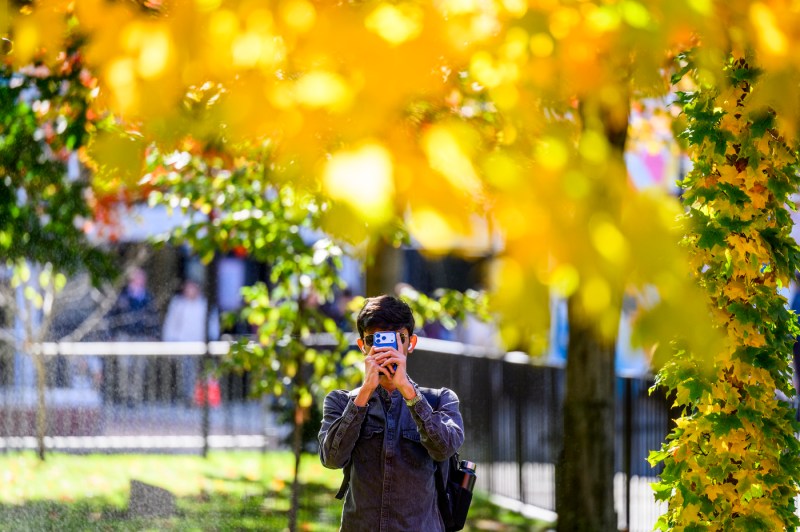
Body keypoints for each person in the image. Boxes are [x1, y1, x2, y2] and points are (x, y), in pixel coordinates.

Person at [318, 295, 465, 531]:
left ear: (411, 343)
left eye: (397, 338)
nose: (385, 347)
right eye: (374, 339)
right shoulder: (339, 401)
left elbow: (444, 448)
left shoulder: (440, 400)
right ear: (362, 346)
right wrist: (365, 391)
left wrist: (409, 392)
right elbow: (332, 459)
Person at [106, 267, 160, 406]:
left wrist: (153, 336)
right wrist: (111, 335)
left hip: (141, 336)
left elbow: (153, 318)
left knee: (139, 367)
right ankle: (123, 395)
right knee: (124, 366)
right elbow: (113, 316)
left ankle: (134, 396)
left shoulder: (148, 297)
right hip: (124, 335)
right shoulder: (122, 296)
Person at [162, 279, 219, 405]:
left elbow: (213, 324)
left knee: (200, 372)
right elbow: (171, 325)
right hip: (183, 345)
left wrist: (212, 339)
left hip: (201, 345)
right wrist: (169, 342)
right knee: (185, 372)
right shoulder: (178, 304)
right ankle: (186, 396)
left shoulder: (205, 304)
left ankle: (199, 397)